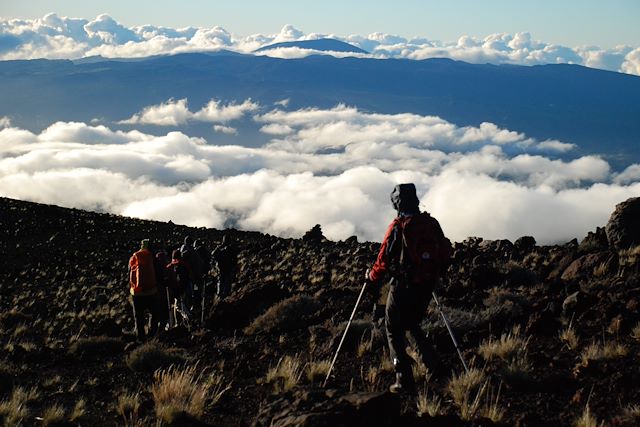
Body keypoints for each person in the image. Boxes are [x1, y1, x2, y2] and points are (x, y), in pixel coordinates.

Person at [366, 183, 452, 395]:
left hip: (404, 285)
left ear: (396, 203)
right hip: (427, 283)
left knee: (393, 328)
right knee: (412, 323)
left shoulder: (399, 226)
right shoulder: (431, 223)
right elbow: (445, 251)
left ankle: (403, 378)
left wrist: (372, 276)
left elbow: (384, 258)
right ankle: (433, 367)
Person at [128, 239, 159, 341]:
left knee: (139, 316)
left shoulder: (134, 257)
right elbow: (158, 273)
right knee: (154, 314)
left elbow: (129, 273)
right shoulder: (152, 258)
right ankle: (152, 334)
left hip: (136, 293)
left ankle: (140, 338)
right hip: (151, 291)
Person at [211, 234, 239, 299]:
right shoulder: (231, 249)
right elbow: (235, 260)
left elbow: (213, 254)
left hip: (221, 269)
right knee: (227, 283)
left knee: (221, 282)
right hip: (227, 269)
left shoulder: (220, 248)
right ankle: (225, 297)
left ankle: (220, 297)